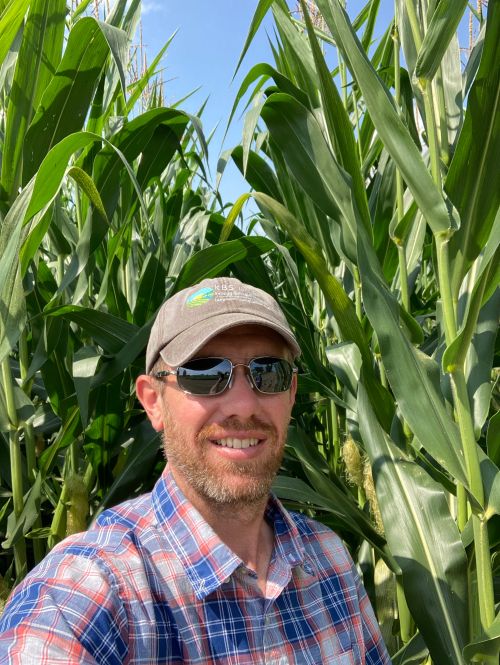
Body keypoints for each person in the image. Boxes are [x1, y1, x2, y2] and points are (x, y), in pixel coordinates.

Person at [0, 277, 391, 664]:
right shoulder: (95, 591)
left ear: (290, 395)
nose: (243, 404)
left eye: (268, 373)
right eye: (204, 374)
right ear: (153, 402)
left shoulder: (330, 561)